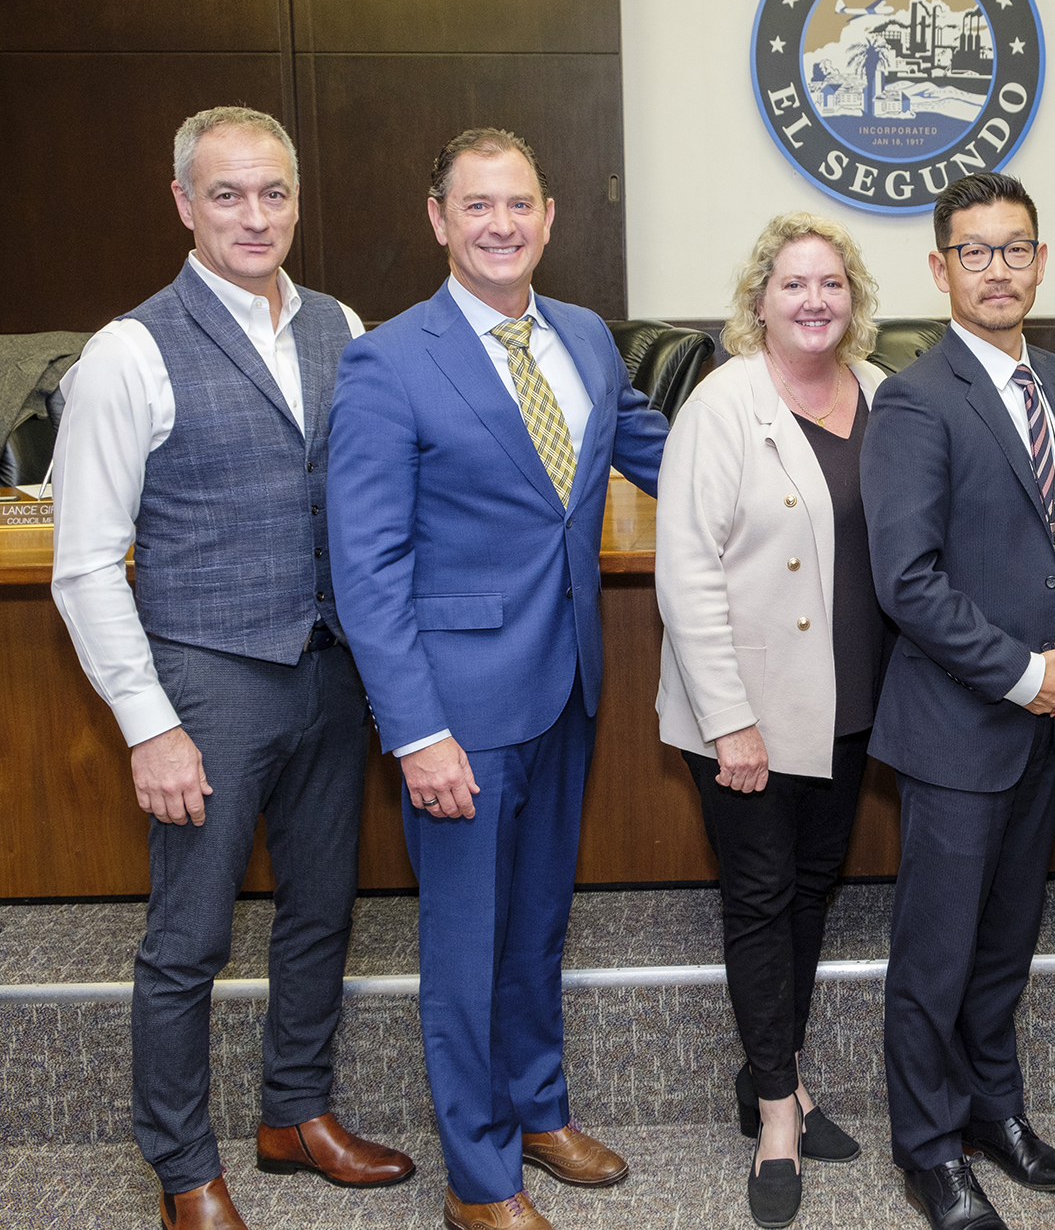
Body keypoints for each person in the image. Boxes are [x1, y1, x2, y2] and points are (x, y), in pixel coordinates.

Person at [48, 106, 413, 1230]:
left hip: (328, 669)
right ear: (183, 203)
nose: (254, 215)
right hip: (207, 681)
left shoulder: (342, 324)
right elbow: (84, 564)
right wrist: (148, 723)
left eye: (274, 193)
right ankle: (183, 1166)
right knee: (189, 938)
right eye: (227, 193)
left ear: (297, 201)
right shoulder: (128, 351)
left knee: (321, 909)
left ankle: (295, 1112)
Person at [326, 127, 669, 1230]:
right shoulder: (388, 360)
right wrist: (415, 730)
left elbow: (668, 452)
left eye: (519, 203)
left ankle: (537, 1110)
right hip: (458, 711)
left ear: (550, 217)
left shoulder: (585, 337)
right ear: (439, 219)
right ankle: (479, 1178)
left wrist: (806, 447)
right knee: (466, 949)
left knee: (536, 926)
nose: (501, 225)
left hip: (566, 685)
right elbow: (366, 567)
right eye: (476, 205)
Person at [861, 171, 1055, 1230]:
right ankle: (928, 1147)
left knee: (1006, 942)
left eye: (1015, 249)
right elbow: (906, 580)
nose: (997, 269)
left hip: (1048, 721)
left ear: (1041, 262)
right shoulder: (916, 398)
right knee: (936, 955)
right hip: (961, 724)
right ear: (940, 268)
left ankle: (993, 1111)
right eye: (974, 251)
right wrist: (1023, 673)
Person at [654, 211, 890, 1228]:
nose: (813, 300)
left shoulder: (881, 391)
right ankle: (777, 1117)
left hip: (849, 703)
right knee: (760, 898)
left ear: (855, 299)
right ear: (759, 300)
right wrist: (728, 722)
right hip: (746, 709)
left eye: (830, 283)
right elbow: (686, 574)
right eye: (792, 283)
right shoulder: (721, 403)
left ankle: (773, 1072)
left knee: (809, 892)